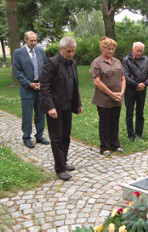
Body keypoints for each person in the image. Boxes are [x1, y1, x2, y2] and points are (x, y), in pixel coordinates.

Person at [40, 36, 83, 181]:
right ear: (61, 49)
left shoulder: (73, 64)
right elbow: (44, 86)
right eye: (68, 51)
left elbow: (75, 85)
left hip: (68, 106)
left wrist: (78, 103)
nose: (71, 54)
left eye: (73, 51)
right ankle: (59, 168)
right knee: (57, 138)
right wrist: (50, 107)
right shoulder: (52, 63)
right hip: (55, 108)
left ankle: (63, 161)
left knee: (66, 136)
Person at [13, 31, 49, 148]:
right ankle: (26, 137)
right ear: (25, 40)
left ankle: (39, 136)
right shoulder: (18, 53)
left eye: (35, 40)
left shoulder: (41, 51)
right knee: (27, 115)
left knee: (40, 113)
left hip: (40, 87)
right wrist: (29, 84)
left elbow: (45, 68)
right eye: (31, 41)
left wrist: (42, 83)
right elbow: (18, 72)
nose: (34, 43)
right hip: (27, 88)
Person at [90, 37, 126, 156]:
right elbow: (97, 81)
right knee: (105, 122)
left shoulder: (117, 61)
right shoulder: (97, 62)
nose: (111, 51)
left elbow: (122, 78)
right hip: (104, 98)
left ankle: (115, 144)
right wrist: (110, 94)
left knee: (115, 121)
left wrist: (121, 92)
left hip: (118, 97)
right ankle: (104, 146)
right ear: (102, 48)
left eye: (112, 49)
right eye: (108, 49)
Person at [122, 42, 148, 142]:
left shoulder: (146, 59)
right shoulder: (126, 60)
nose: (139, 53)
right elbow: (125, 76)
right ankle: (131, 134)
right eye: (137, 51)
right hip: (130, 90)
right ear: (133, 50)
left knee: (140, 112)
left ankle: (139, 133)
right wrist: (136, 85)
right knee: (129, 112)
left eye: (141, 51)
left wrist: (144, 84)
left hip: (142, 90)